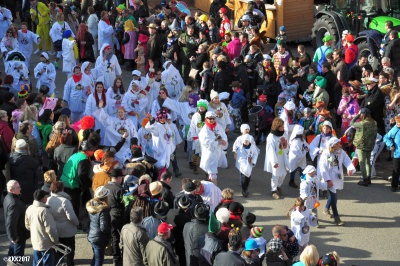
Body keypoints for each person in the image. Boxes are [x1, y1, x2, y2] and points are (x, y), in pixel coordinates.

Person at [320, 137, 355, 225]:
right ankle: (336, 218)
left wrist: (350, 169)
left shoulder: (341, 152)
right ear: (332, 146)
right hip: (329, 178)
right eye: (337, 144)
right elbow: (323, 167)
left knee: (332, 195)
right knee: (334, 197)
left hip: (337, 178)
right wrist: (327, 180)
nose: (339, 145)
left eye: (339, 143)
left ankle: (326, 209)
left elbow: (347, 161)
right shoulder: (326, 154)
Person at [46, 181, 79, 266]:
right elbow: (71, 217)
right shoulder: (65, 201)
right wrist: (77, 223)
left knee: (59, 249)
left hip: (56, 229)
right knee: (70, 250)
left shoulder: (49, 200)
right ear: (62, 189)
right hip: (68, 230)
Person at [25, 189, 59, 266]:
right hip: (46, 244)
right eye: (46, 196)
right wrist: (55, 241)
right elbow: (50, 229)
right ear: (43, 198)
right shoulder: (44, 211)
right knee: (48, 263)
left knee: (37, 263)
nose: (47, 198)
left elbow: (27, 225)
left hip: (35, 242)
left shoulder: (29, 208)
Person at [199, 111, 228, 185]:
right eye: (210, 118)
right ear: (206, 119)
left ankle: (211, 184)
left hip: (218, 151)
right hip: (210, 153)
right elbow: (206, 142)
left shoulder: (218, 126)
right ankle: (214, 187)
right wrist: (217, 142)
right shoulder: (204, 130)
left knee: (213, 170)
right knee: (212, 171)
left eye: (213, 118)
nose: (212, 120)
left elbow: (223, 135)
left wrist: (224, 140)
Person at [351, 108, 378, 186]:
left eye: (361, 114)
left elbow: (351, 123)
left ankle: (365, 179)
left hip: (361, 145)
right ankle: (368, 178)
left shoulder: (362, 124)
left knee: (362, 162)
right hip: (370, 145)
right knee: (367, 161)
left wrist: (357, 115)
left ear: (363, 114)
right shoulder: (374, 123)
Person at [86, 186, 112, 266]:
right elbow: (103, 227)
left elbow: (89, 222)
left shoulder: (91, 206)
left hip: (92, 236)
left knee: (95, 258)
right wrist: (109, 233)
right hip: (99, 238)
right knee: (99, 261)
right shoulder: (103, 210)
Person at [9, 139, 40, 205]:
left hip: (15, 186)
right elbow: (37, 167)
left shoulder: (10, 157)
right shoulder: (30, 160)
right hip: (28, 188)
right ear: (26, 147)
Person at [264, 118, 289, 199]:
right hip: (276, 157)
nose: (283, 127)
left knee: (284, 173)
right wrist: (274, 162)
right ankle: (273, 190)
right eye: (281, 126)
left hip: (283, 156)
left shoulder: (284, 133)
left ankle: (278, 185)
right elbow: (270, 150)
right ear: (277, 127)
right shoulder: (271, 137)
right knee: (276, 174)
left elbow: (286, 143)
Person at [104, 168, 125, 266]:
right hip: (118, 216)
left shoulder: (105, 187)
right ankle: (118, 259)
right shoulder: (119, 189)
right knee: (119, 238)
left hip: (107, 215)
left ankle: (114, 257)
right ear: (119, 178)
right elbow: (124, 203)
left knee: (113, 237)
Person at [4, 180, 29, 257]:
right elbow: (11, 222)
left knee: (11, 254)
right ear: (11, 190)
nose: (20, 189)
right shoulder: (14, 203)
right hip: (18, 235)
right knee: (17, 258)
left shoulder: (8, 197)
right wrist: (13, 237)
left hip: (15, 234)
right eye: (18, 188)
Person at [383, 115, 400, 192]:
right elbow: (386, 137)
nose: (398, 124)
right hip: (397, 154)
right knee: (396, 170)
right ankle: (394, 185)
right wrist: (391, 145)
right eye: (397, 122)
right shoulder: (395, 129)